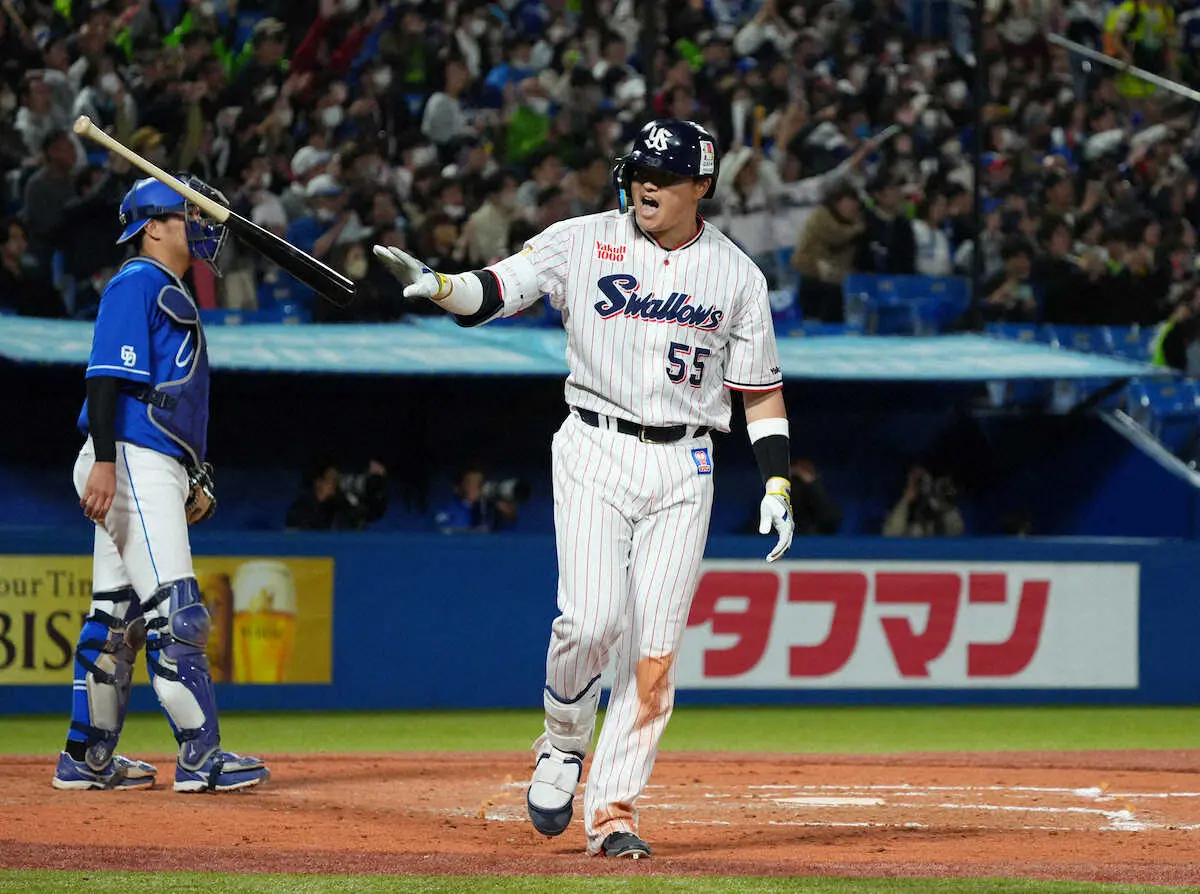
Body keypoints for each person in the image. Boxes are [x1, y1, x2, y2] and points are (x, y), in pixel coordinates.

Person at [375, 118, 794, 859]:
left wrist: (778, 483)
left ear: (703, 185)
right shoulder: (582, 239)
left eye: (662, 175)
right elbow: (495, 290)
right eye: (637, 171)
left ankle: (614, 813)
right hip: (594, 444)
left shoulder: (737, 276)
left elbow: (758, 393)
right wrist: (443, 286)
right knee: (590, 622)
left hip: (685, 465)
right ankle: (563, 742)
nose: (645, 185)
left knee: (653, 652)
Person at [53, 177, 270, 794]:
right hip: (127, 459)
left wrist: (192, 474)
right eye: (185, 214)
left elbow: (169, 402)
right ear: (153, 227)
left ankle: (86, 757)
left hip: (145, 460)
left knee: (117, 617)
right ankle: (201, 757)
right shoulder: (139, 279)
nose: (199, 224)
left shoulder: (167, 287)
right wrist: (103, 460)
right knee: (179, 615)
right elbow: (103, 377)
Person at [285, 456, 388, 531]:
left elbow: (372, 513)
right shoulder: (301, 507)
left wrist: (377, 490)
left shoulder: (344, 502)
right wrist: (322, 504)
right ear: (318, 482)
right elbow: (296, 537)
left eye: (337, 479)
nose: (335, 484)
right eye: (331, 479)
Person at [434, 465, 522, 534]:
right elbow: (444, 533)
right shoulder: (449, 511)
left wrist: (510, 517)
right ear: (458, 488)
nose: (477, 487)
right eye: (470, 483)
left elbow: (506, 539)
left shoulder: (491, 509)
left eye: (480, 483)